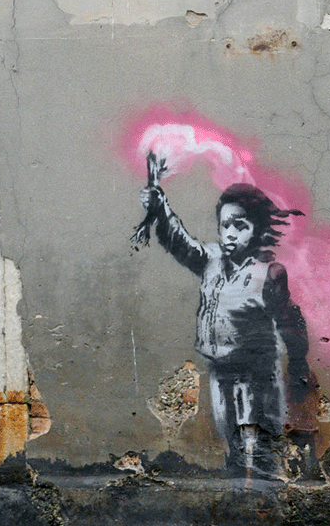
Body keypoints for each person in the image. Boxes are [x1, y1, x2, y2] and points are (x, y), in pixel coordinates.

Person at [133, 153, 314, 479]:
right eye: (225, 225)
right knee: (231, 441)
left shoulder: (267, 273)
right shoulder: (211, 260)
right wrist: (160, 208)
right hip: (220, 374)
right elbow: (181, 243)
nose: (230, 233)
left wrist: (299, 363)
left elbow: (291, 321)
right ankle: (238, 503)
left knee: (261, 446)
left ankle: (267, 501)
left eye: (240, 226)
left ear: (257, 230)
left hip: (258, 377)